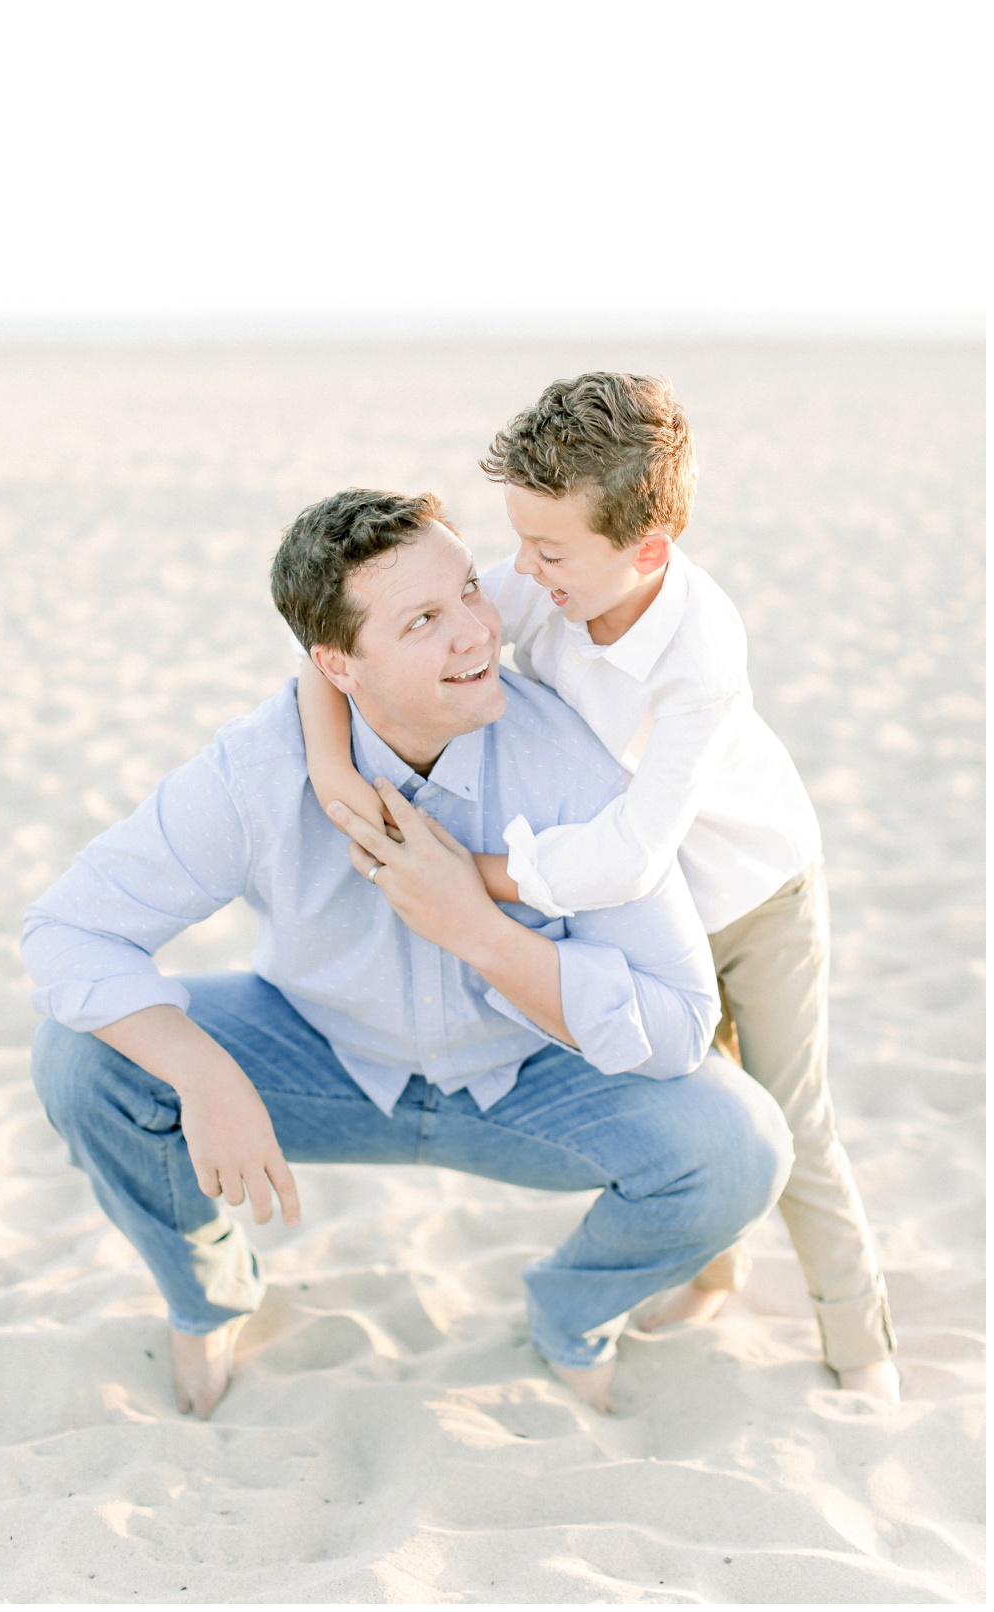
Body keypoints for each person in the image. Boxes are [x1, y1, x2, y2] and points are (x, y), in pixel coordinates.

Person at [23, 487, 792, 1420]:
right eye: (426, 619)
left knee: (740, 1148)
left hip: (531, 1076)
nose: (476, 633)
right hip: (323, 1062)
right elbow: (69, 930)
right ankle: (208, 1297)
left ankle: (571, 1313)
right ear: (338, 664)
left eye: (471, 592)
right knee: (82, 1057)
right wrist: (207, 1079)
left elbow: (678, 1028)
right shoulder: (261, 767)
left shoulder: (574, 763)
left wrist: (478, 930)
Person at [296, 377, 900, 1403]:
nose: (519, 577)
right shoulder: (554, 575)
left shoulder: (699, 655)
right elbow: (345, 639)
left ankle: (860, 1339)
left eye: (547, 552)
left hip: (752, 897)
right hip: (648, 916)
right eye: (518, 545)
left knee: (790, 1114)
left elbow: (625, 850)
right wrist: (329, 765)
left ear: (648, 550)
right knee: (697, 1094)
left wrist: (471, 881)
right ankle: (716, 1271)